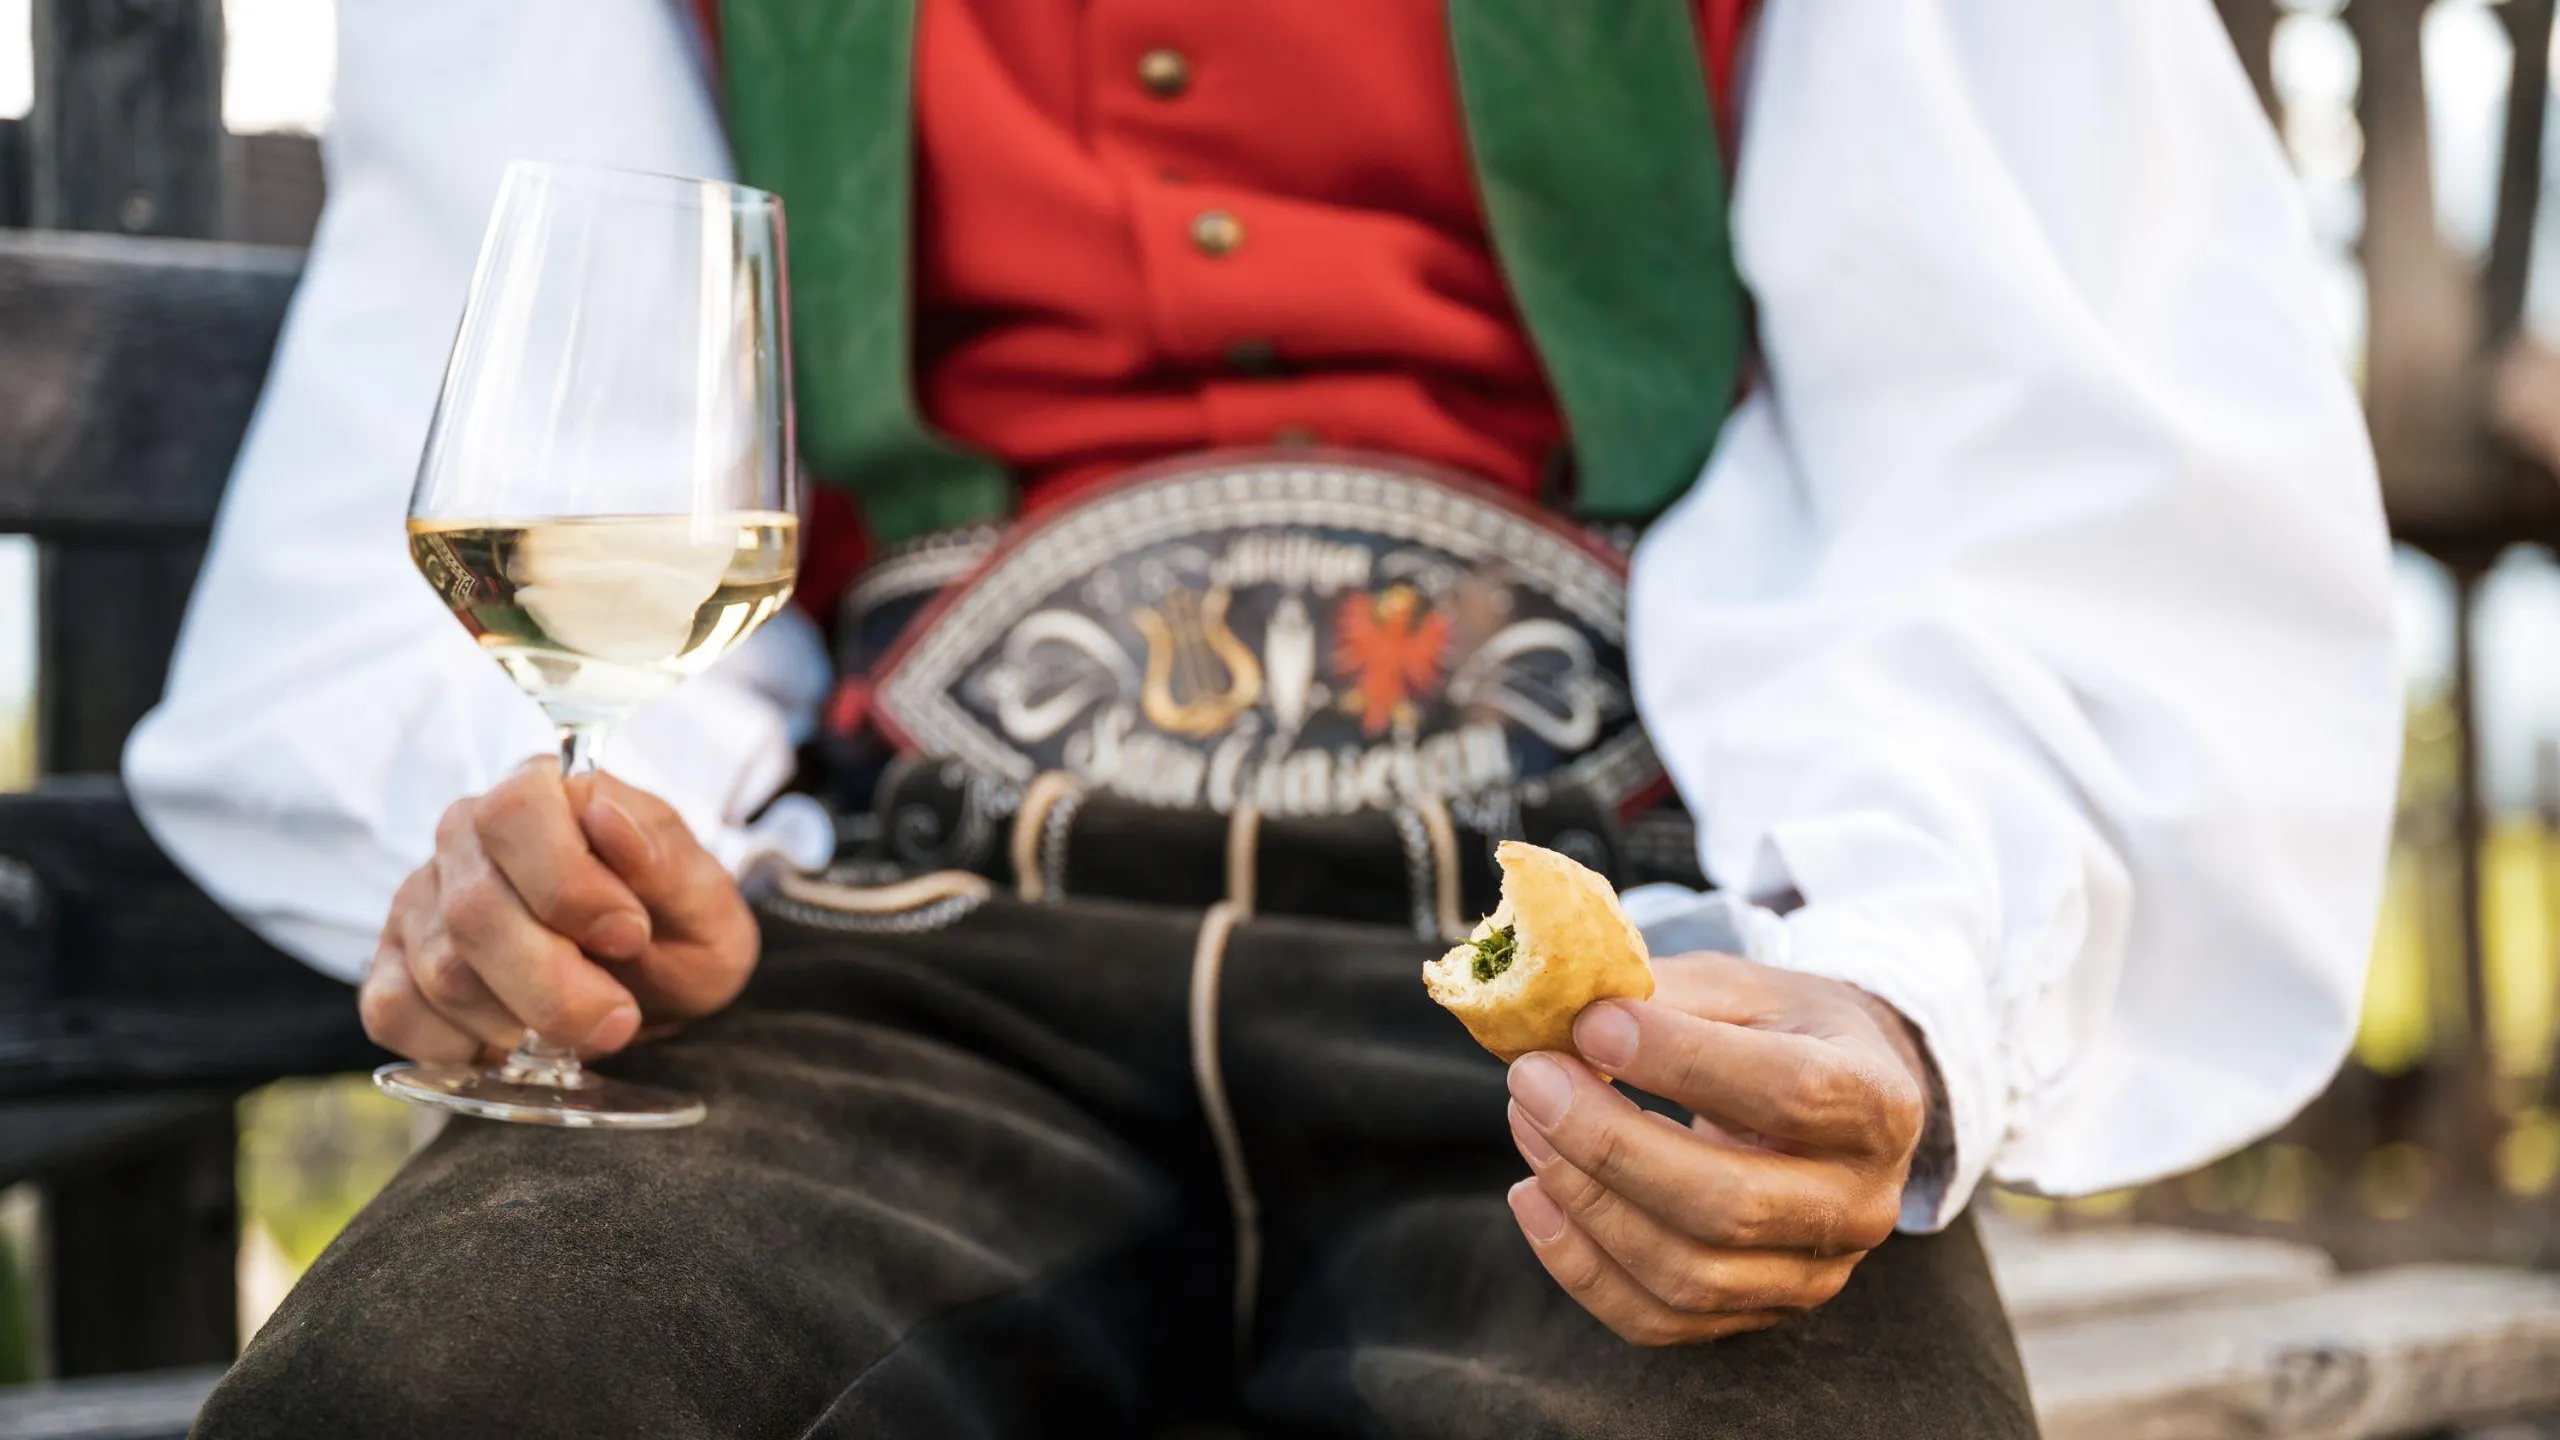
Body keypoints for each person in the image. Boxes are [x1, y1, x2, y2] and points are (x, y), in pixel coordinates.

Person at [125, 0, 2399, 1435]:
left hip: (1596, 995)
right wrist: (582, 860)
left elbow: (2048, 448)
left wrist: (1898, 991)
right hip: (882, 957)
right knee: (450, 1396)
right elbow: (488, 392)